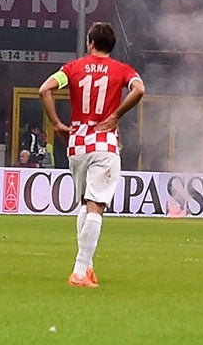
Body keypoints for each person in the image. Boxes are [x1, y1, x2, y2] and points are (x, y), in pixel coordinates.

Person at [39, 22, 145, 288]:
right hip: (104, 143)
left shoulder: (72, 68)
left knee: (86, 205)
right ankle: (79, 271)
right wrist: (117, 115)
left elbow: (44, 89)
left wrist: (56, 123)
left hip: (76, 143)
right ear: (111, 45)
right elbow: (139, 89)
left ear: (90, 43)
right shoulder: (122, 70)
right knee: (97, 206)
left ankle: (88, 268)